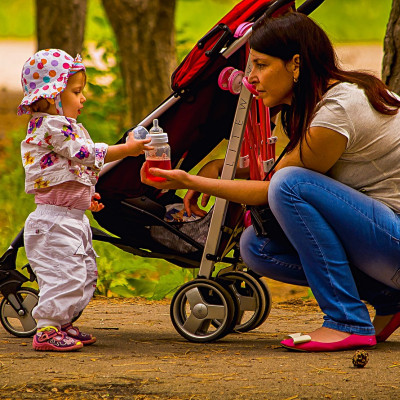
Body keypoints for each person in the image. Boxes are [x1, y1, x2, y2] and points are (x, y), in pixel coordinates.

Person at [141, 11, 400, 352]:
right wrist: (221, 169)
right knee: (255, 248)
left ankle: (346, 320)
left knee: (289, 186)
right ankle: (388, 298)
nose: (251, 79)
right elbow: (285, 174)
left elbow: (278, 186)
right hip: (384, 238)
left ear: (295, 64)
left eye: (261, 66)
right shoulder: (315, 105)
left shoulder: (339, 110)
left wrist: (189, 180)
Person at [19, 49, 152, 352]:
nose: (84, 99)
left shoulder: (64, 128)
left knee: (83, 272)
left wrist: (85, 195)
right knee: (63, 275)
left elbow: (70, 169)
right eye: (77, 92)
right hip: (53, 221)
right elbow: (86, 155)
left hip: (71, 218)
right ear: (51, 96)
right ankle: (46, 329)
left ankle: (62, 323)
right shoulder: (50, 126)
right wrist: (125, 150)